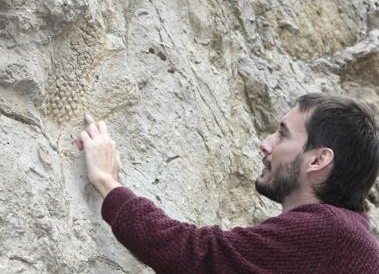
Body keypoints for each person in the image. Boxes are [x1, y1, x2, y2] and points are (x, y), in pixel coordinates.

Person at [75, 93, 379, 273]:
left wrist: (107, 181)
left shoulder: (330, 234)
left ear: (317, 160)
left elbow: (195, 254)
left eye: (283, 134)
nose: (266, 143)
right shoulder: (344, 237)